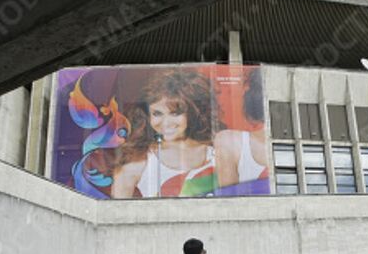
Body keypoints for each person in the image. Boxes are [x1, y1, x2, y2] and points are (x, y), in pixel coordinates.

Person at [111, 69, 267, 198]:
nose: (166, 123)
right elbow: (116, 219)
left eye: (175, 113)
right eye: (157, 114)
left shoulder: (218, 151)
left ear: (193, 113)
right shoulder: (136, 164)